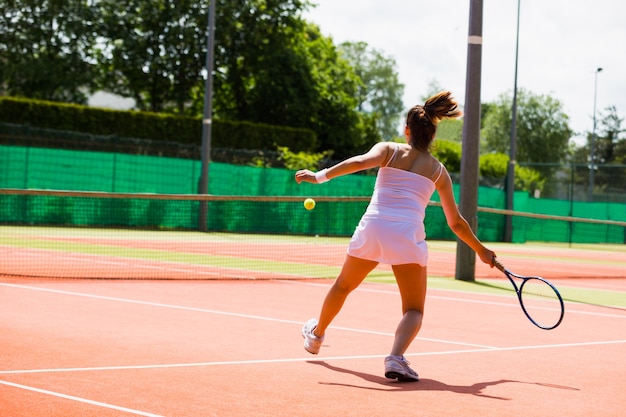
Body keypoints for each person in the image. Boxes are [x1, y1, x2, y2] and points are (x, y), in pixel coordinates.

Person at [294, 91, 496, 382]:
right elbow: (457, 223)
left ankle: (316, 336)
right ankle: (396, 357)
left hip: (374, 227)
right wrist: (480, 250)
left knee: (343, 286)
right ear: (433, 134)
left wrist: (319, 176)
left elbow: (358, 162)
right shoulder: (439, 171)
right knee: (414, 309)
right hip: (407, 236)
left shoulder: (388, 149)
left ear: (408, 130)